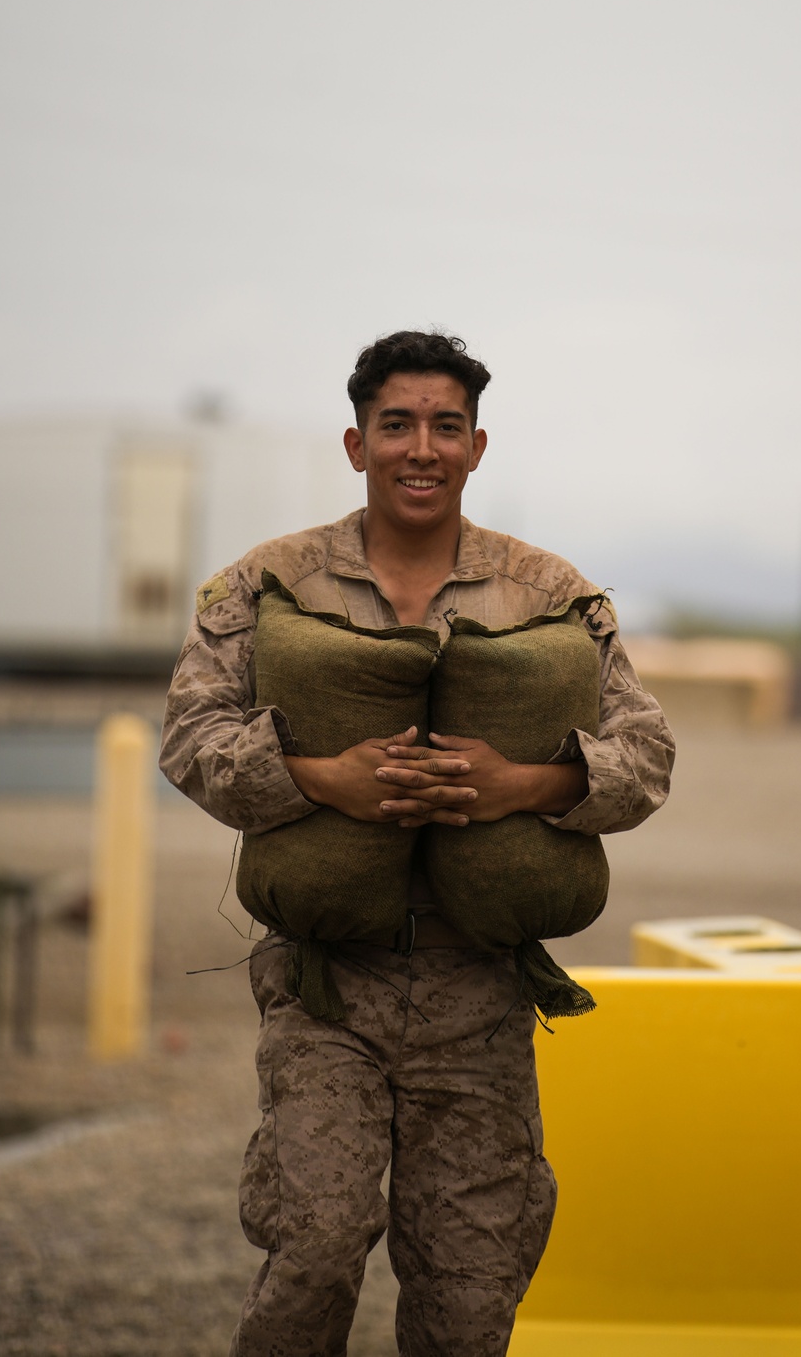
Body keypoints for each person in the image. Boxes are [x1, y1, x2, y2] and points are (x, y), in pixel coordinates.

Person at [160, 330, 674, 1357]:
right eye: (397, 425)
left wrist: (521, 784)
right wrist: (323, 778)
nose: (421, 448)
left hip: (477, 989)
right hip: (325, 988)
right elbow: (190, 738)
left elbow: (648, 756)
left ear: (478, 448)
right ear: (356, 444)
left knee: (469, 1290)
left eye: (447, 426)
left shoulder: (548, 598)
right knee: (313, 1243)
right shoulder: (271, 588)